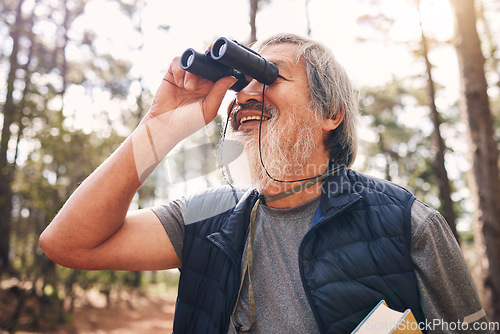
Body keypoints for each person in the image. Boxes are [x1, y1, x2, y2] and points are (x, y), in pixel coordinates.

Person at [39, 33, 492, 334]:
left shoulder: (407, 221)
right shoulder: (207, 217)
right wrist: (159, 127)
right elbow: (69, 244)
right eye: (242, 81)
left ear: (329, 113)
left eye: (270, 76)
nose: (246, 94)